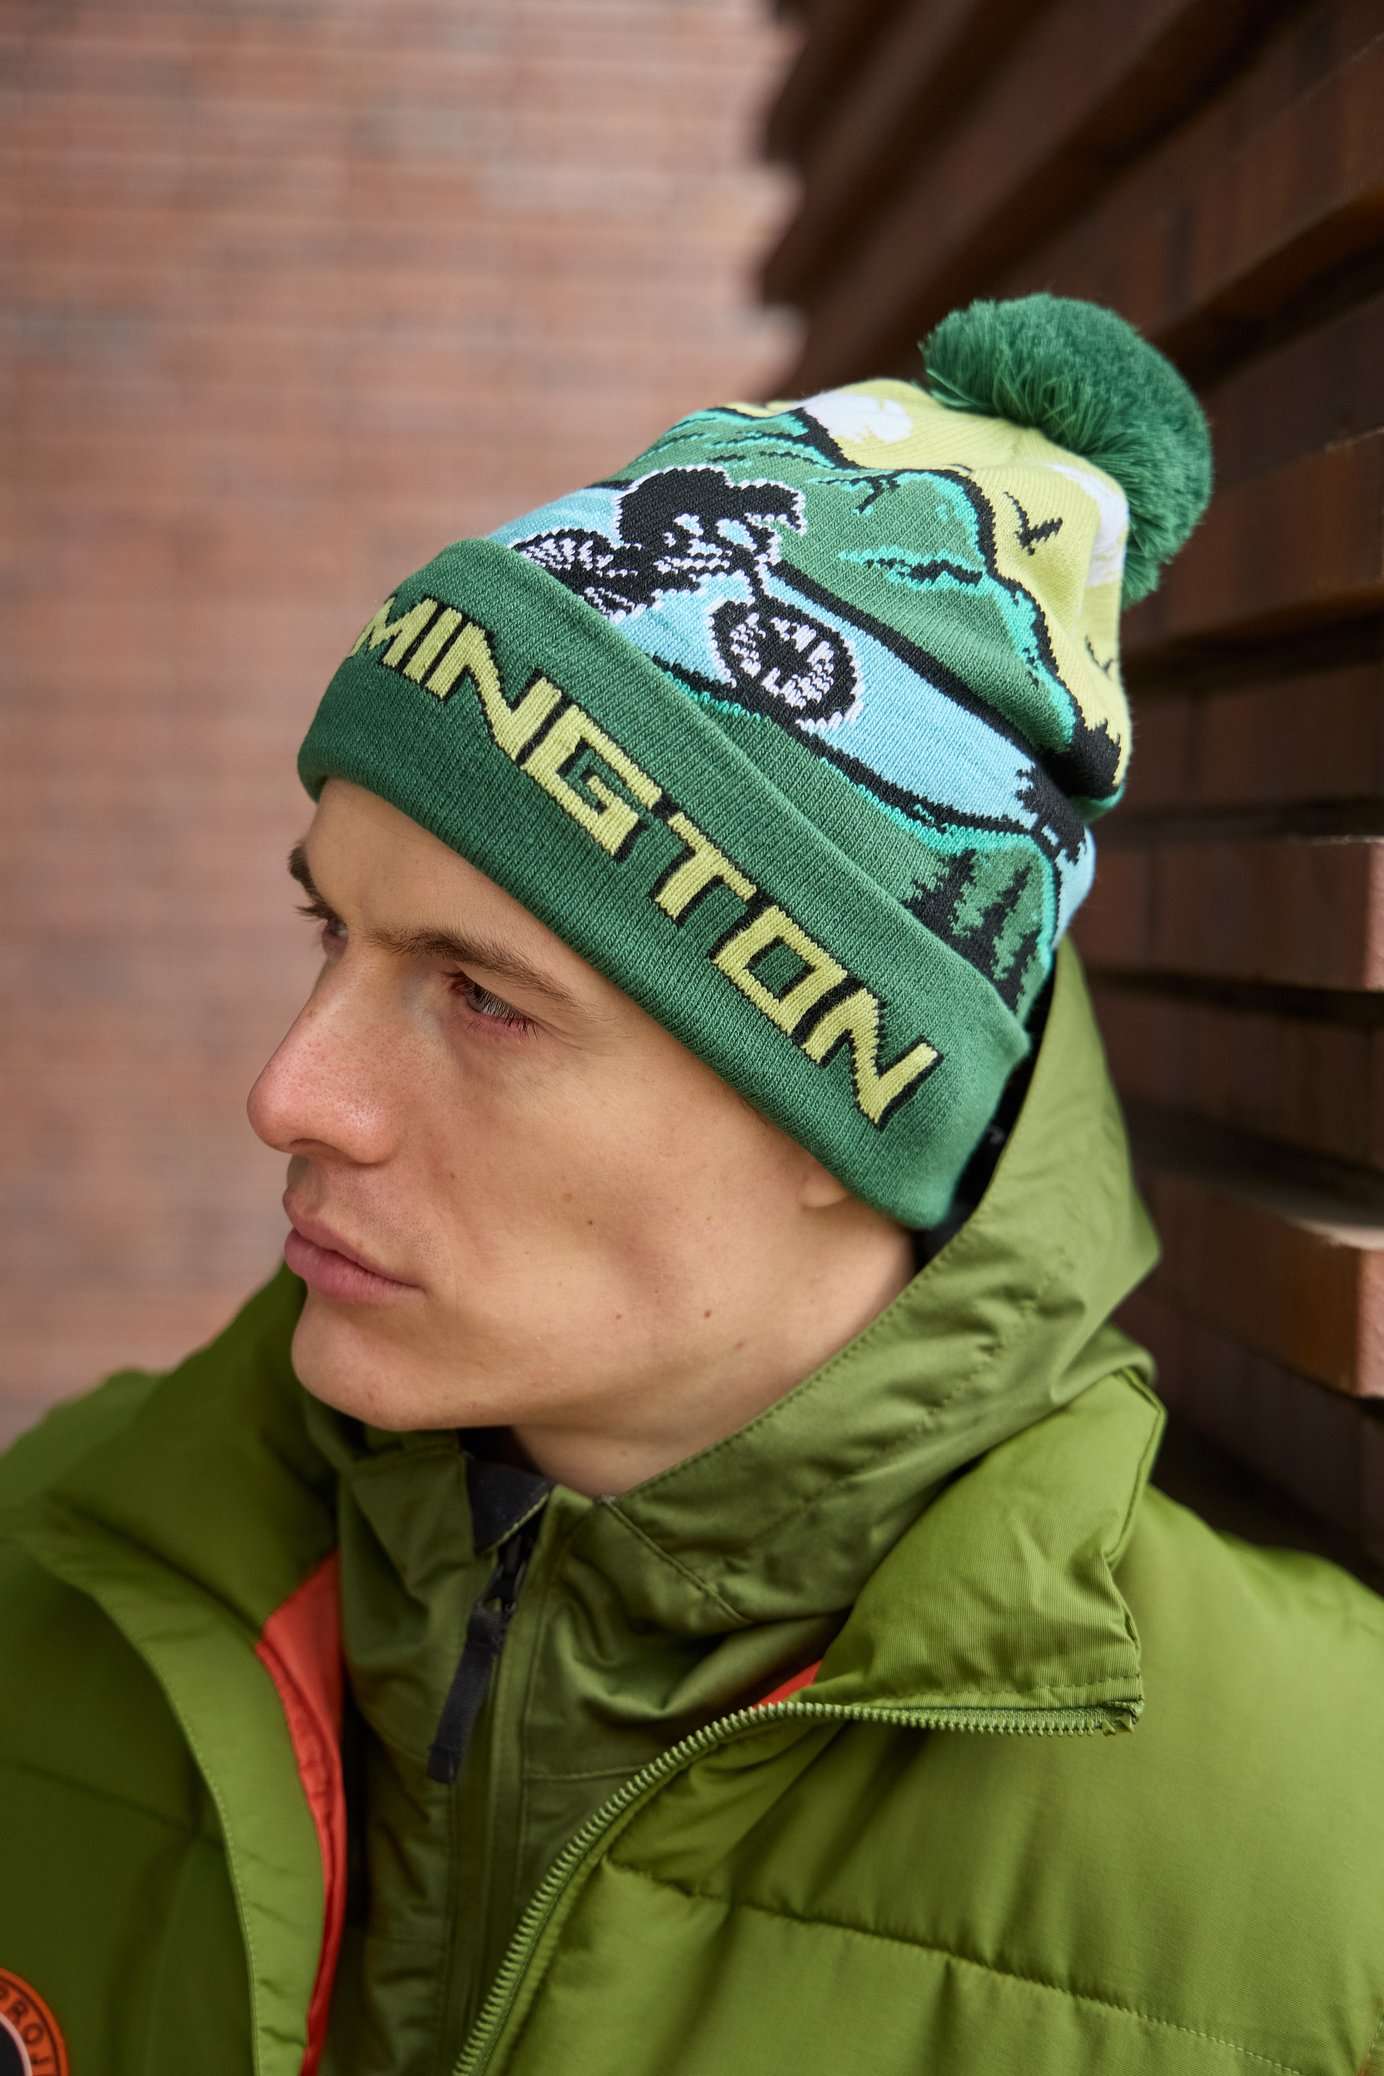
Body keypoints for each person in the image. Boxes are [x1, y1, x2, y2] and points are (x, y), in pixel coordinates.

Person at [3, 294, 1382, 2076]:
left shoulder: (1324, 1861)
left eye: (484, 998)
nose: (290, 1095)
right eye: (328, 930)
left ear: (849, 1109)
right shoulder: (54, 1563)